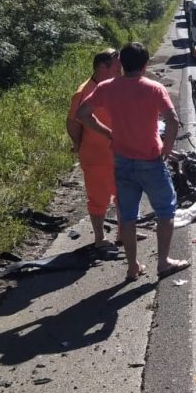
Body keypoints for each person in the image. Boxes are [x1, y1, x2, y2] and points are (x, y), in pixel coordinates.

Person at [76, 42, 187, 281]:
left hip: (122, 161)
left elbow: (82, 114)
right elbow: (173, 120)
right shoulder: (154, 88)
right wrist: (166, 149)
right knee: (165, 210)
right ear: (146, 65)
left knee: (127, 216)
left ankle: (132, 267)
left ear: (122, 64)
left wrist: (107, 132)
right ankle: (163, 262)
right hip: (150, 160)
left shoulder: (106, 87)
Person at [66, 48, 127, 250]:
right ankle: (100, 238)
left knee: (123, 194)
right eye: (117, 67)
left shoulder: (111, 86)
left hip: (117, 153)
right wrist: (77, 142)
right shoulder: (84, 91)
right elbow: (72, 122)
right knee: (98, 198)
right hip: (96, 156)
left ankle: (123, 233)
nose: (121, 71)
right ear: (103, 67)